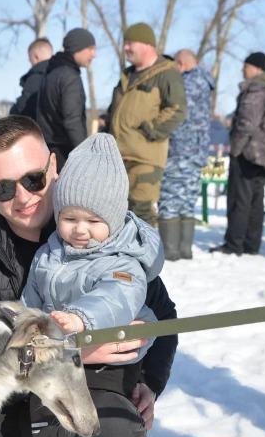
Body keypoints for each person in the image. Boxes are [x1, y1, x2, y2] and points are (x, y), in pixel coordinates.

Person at [0, 116, 178, 437]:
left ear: (54, 167)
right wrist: (70, 351)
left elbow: (163, 314)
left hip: (98, 397)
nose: (22, 197)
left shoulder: (101, 233)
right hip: (17, 415)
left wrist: (149, 380)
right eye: (3, 188)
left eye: (34, 179)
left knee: (119, 432)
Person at [21, 133, 163, 362]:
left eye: (93, 221)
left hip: (110, 362)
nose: (80, 229)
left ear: (113, 221)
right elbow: (31, 299)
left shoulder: (122, 261)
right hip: (57, 355)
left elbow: (116, 297)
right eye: (69, 219)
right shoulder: (48, 253)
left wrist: (80, 319)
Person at [106, 22, 186, 227]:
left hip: (145, 158)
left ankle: (147, 259)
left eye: (130, 43)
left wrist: (150, 130)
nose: (126, 48)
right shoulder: (127, 75)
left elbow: (177, 109)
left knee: (140, 213)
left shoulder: (166, 74)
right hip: (118, 156)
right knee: (116, 213)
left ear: (147, 45)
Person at [211, 52, 265, 255]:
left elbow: (246, 123)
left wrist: (235, 149)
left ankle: (234, 244)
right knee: (255, 201)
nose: (242, 69)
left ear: (256, 68)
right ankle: (252, 244)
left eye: (245, 65)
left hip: (248, 153)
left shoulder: (256, 89)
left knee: (239, 200)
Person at [158, 49, 214, 261]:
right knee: (187, 200)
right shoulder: (203, 82)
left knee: (170, 199)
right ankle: (184, 249)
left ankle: (171, 251)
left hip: (180, 150)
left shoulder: (185, 84)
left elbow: (175, 114)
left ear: (180, 64)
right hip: (196, 151)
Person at [35, 27, 96, 170]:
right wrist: (85, 154)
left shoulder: (52, 72)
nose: (94, 54)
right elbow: (72, 120)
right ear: (77, 47)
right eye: (90, 49)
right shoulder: (70, 77)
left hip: (47, 151)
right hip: (64, 154)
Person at [10, 37, 53, 119]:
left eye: (30, 59)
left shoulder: (36, 78)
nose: (30, 63)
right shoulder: (64, 75)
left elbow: (22, 107)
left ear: (36, 57)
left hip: (39, 129)